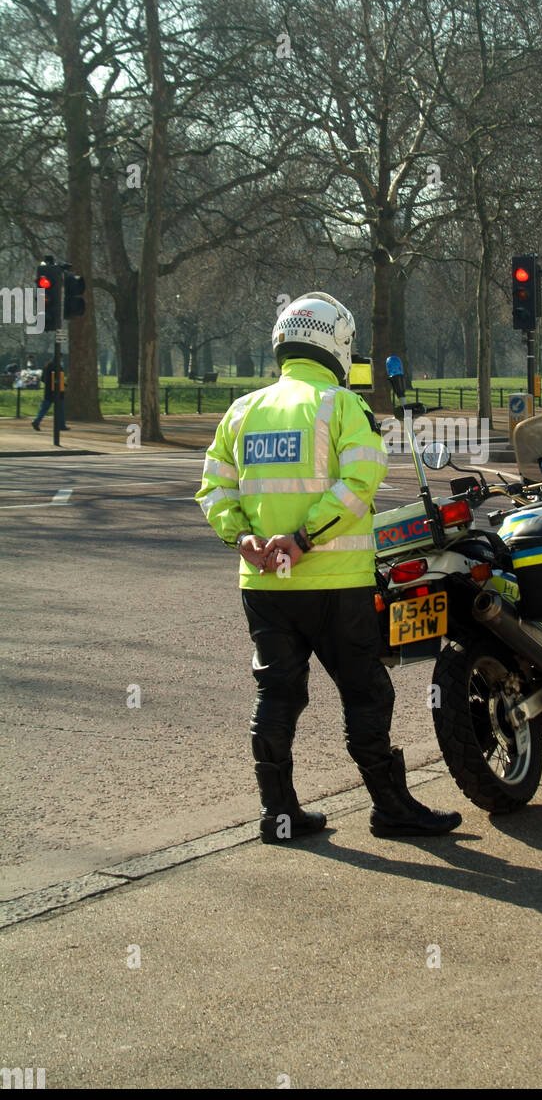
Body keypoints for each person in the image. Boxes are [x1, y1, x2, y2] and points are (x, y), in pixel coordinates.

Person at [195, 292, 461, 844]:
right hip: (335, 584)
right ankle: (391, 809)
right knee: (365, 692)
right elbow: (361, 482)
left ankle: (280, 815)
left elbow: (214, 488)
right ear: (335, 345)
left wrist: (242, 537)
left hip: (265, 585)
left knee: (277, 694)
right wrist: (301, 538)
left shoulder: (241, 411)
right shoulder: (340, 405)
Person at [32, 359, 68, 431]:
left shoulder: (46, 367)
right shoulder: (58, 367)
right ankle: (62, 425)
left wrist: (48, 384)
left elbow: (42, 379)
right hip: (57, 391)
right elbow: (59, 379)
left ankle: (37, 420)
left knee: (44, 408)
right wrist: (64, 385)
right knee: (60, 409)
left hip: (48, 391)